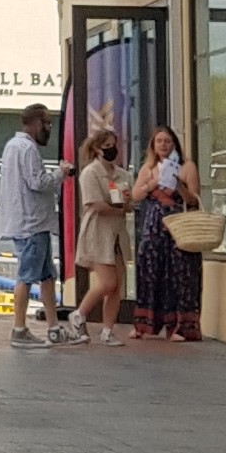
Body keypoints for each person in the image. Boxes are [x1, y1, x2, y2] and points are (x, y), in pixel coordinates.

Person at [0, 100, 61, 344]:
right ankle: (19, 328)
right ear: (35, 123)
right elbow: (38, 182)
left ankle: (54, 327)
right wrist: (60, 174)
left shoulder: (12, 146)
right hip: (32, 223)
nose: (49, 128)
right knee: (27, 275)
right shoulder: (28, 149)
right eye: (47, 123)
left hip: (31, 222)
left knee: (46, 276)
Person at [133, 122, 203, 343]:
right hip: (154, 226)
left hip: (179, 226)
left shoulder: (186, 166)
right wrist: (153, 183)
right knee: (151, 273)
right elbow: (135, 195)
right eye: (159, 141)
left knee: (182, 275)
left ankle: (183, 326)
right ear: (153, 145)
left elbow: (193, 199)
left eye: (168, 141)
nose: (163, 145)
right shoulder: (148, 168)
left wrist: (177, 183)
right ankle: (146, 325)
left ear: (175, 144)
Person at [70, 120, 133, 346]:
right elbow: (94, 204)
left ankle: (108, 329)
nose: (111, 149)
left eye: (113, 145)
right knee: (107, 281)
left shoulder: (122, 175)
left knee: (117, 284)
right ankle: (79, 313)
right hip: (98, 232)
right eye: (106, 145)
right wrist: (116, 208)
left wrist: (125, 205)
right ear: (97, 149)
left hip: (117, 234)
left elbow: (128, 202)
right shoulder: (90, 174)